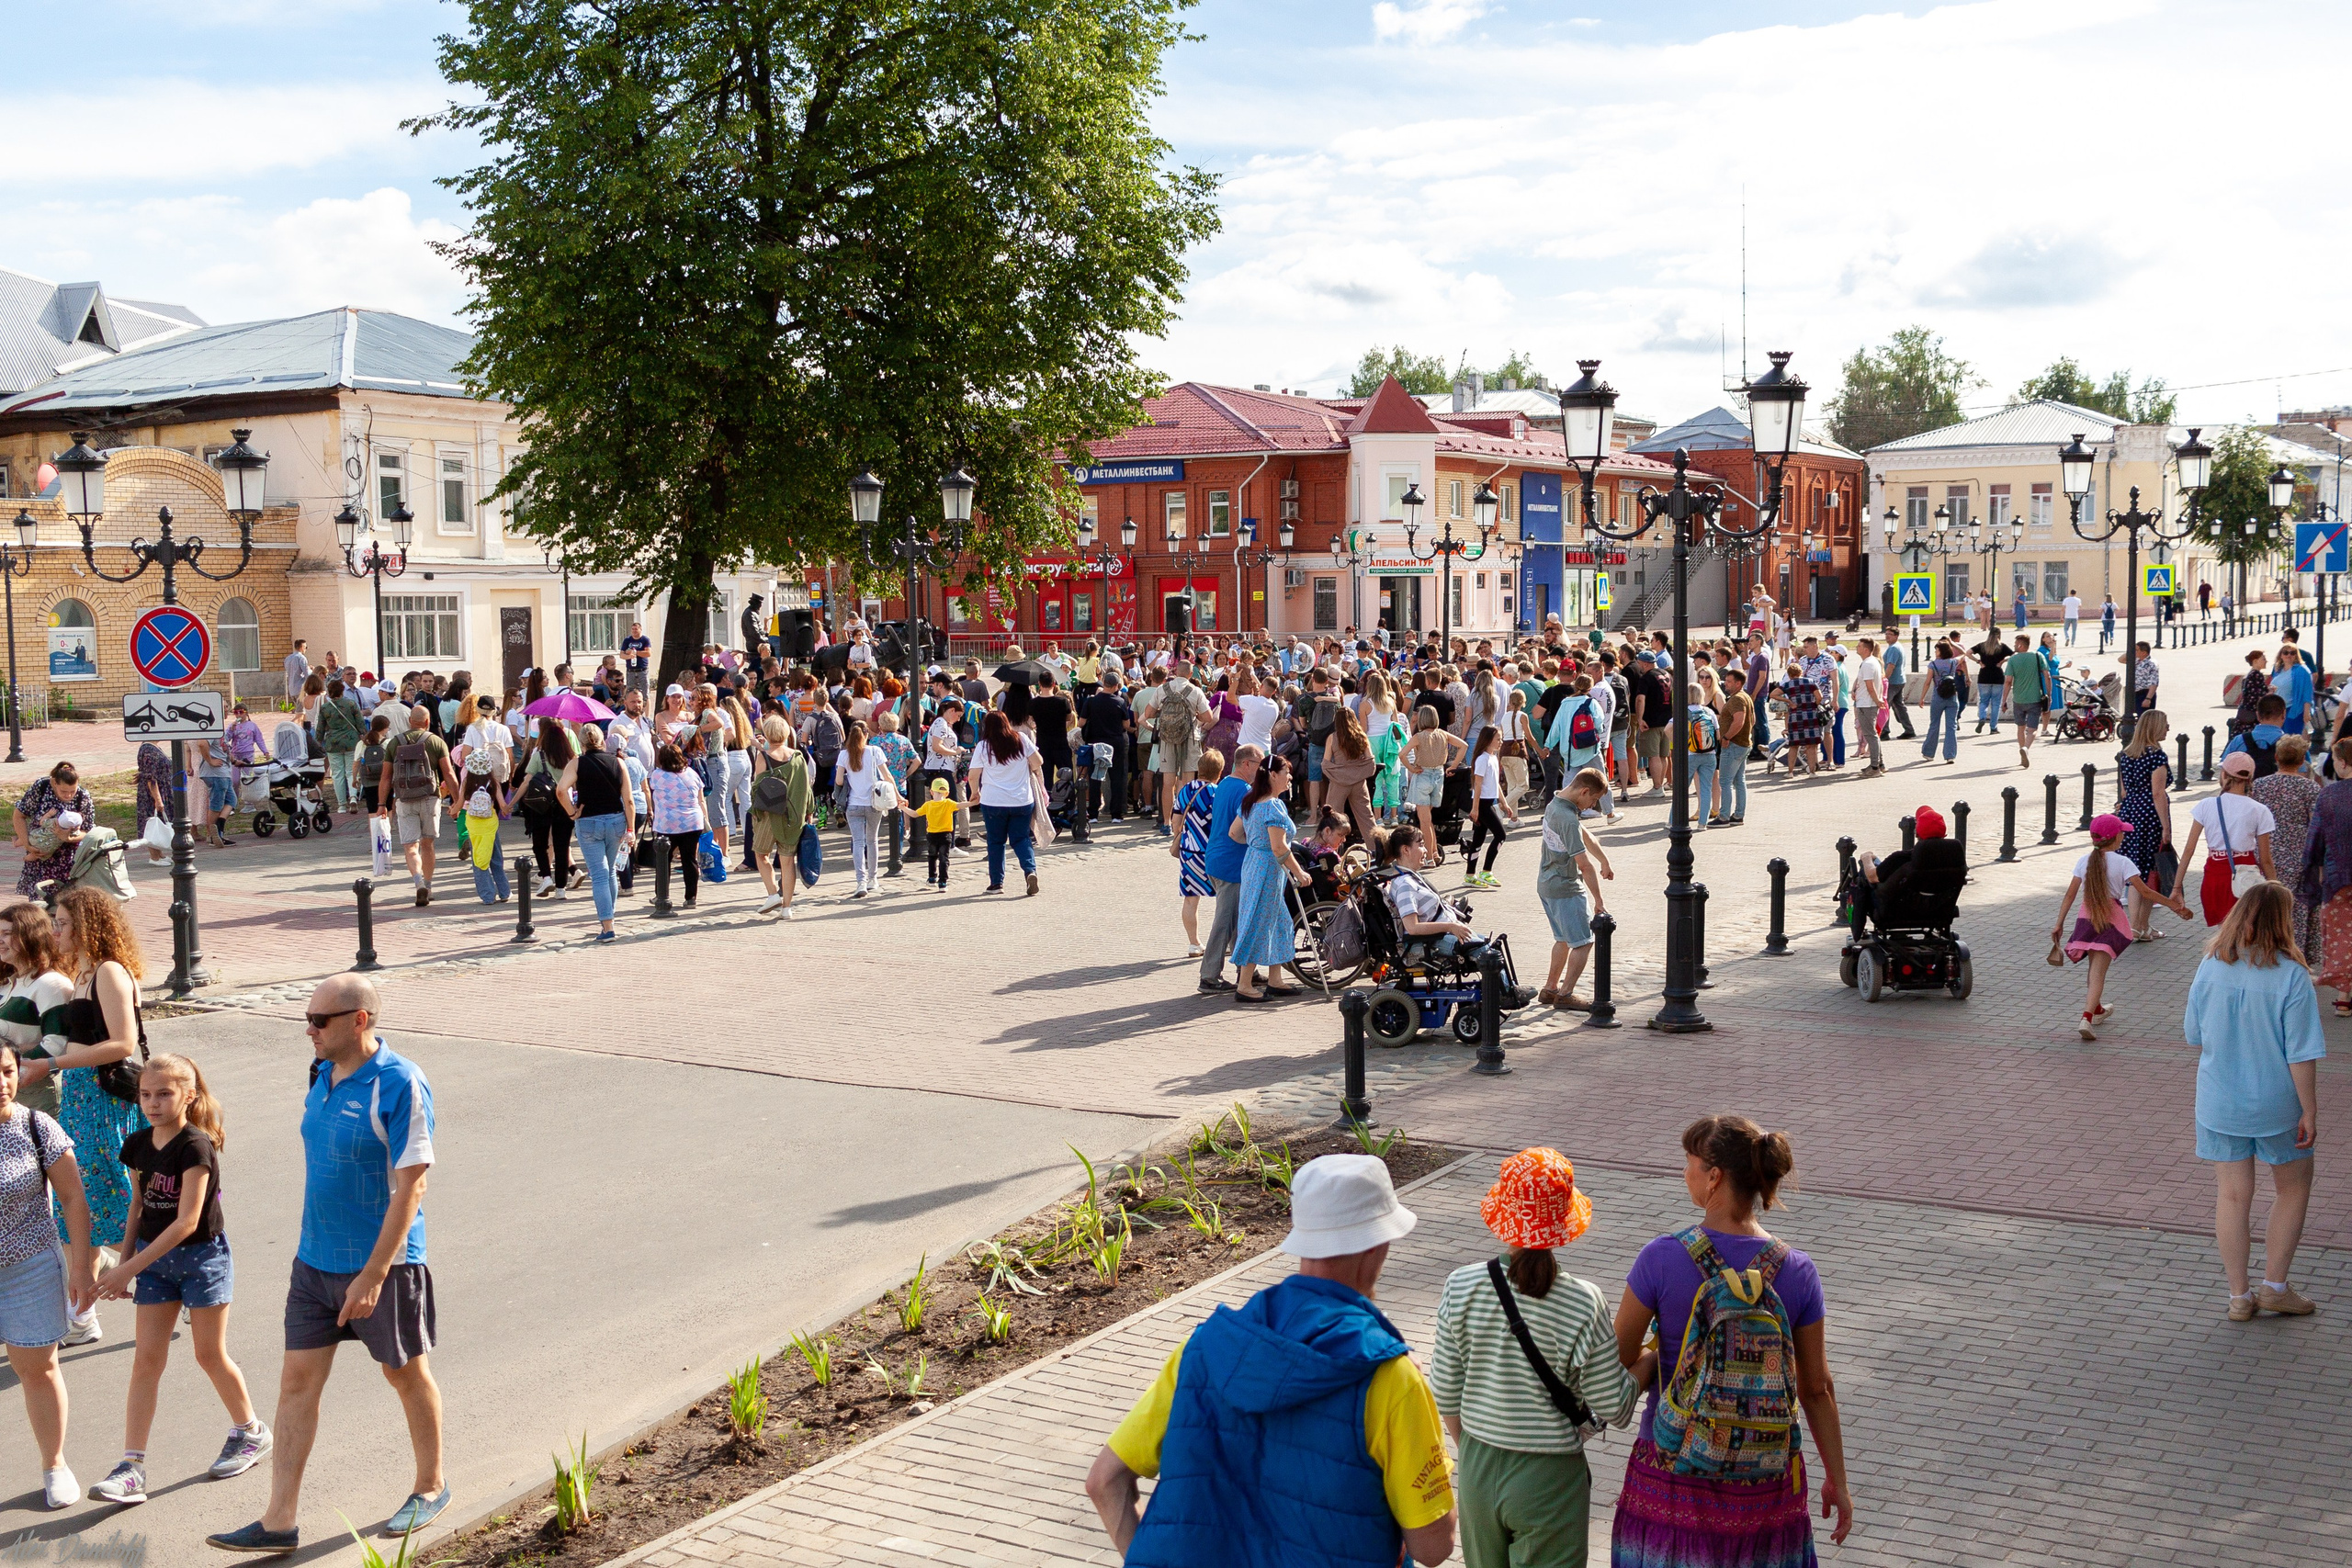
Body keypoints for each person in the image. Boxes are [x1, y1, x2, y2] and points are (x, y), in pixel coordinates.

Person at [1084, 1155, 1456, 1568]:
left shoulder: (1204, 1348)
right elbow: (1433, 1549)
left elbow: (1104, 1482)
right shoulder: (1392, 1379)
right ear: (1378, 1244)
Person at [207, 976, 444, 1555]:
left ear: (359, 1020)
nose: (307, 1030)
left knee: (404, 1373)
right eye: (306, 1019)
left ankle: (431, 1486)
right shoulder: (320, 1075)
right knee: (296, 1384)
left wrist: (373, 1274)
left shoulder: (400, 1083)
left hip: (382, 1268)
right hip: (314, 1262)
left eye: (319, 1021)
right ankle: (279, 1520)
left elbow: (412, 1189)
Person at [1611, 1115, 1852, 1563]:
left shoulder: (1662, 1257)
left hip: (1672, 1472)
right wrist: (1837, 1479)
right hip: (1765, 1483)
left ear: (1714, 1176)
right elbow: (1816, 1388)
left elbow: (1616, 1359)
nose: (1685, 1173)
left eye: (1689, 1163)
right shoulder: (1797, 1270)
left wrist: (1654, 1355)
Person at [1431, 1147, 1640, 1568]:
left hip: (1477, 1467)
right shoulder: (1584, 1301)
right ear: (1564, 1221)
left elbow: (1446, 1393)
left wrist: (1473, 1451)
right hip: (1550, 1480)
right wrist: (1648, 1362)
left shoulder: (1462, 1285)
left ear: (1503, 1214)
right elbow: (1614, 1408)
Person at [85, 1053, 266, 1506]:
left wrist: (127, 1268)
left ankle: (250, 1432)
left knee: (209, 1354)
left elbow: (187, 1221)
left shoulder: (195, 1146)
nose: (153, 1103)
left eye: (164, 1094)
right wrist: (127, 1260)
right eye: (146, 1094)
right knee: (146, 1361)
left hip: (202, 1258)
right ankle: (131, 1468)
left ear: (189, 1096)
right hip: (152, 1263)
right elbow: (137, 1206)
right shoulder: (139, 1143)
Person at [2185, 883, 2324, 1321]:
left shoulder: (2210, 965)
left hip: (2219, 1100)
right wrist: (2310, 1109)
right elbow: (2300, 1053)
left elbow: (2193, 1035)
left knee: (2231, 1197)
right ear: (2283, 923)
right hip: (2275, 1103)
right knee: (2293, 1187)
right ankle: (2275, 1287)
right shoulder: (2291, 976)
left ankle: (2239, 1296)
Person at [0, 1038, 96, 1508]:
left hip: (30, 1267)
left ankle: (54, 1464)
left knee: (38, 1369)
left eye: (7, 1071)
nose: (2, 1083)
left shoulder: (39, 1127)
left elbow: (76, 1201)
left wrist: (81, 1266)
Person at [2055, 815, 2189, 1039]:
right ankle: (2086, 1017)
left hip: (2087, 916)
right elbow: (2146, 892)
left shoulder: (2084, 861)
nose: (2124, 836)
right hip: (2111, 918)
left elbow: (2070, 894)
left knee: (2093, 969)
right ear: (2115, 838)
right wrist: (2174, 906)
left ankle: (2096, 1009)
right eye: (2122, 833)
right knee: (2099, 972)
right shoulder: (2123, 862)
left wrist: (2059, 923)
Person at [1228, 755, 1310, 1003]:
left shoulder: (1251, 801)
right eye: (1286, 773)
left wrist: (1255, 845)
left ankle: (1275, 979)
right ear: (1273, 775)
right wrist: (1299, 872)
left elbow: (1234, 833)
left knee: (1279, 921)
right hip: (1266, 868)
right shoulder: (1273, 806)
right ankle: (1244, 985)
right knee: (1258, 921)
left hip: (1253, 863)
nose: (1290, 778)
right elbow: (1279, 848)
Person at [1537, 769, 1612, 1011]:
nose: (1593, 805)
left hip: (1547, 883)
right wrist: (1598, 899)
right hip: (1566, 886)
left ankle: (1550, 989)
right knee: (1583, 942)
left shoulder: (1557, 802)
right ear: (1585, 791)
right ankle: (1566, 994)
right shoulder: (1567, 818)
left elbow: (1586, 836)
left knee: (1562, 939)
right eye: (1593, 800)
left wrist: (1605, 861)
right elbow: (1584, 865)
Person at [2179, 753, 2278, 929]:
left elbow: (2189, 850)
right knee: (2246, 932)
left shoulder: (2206, 805)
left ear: (2224, 775)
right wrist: (2275, 890)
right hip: (2245, 874)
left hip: (2215, 874)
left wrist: (2176, 887)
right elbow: (2266, 860)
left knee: (2223, 933)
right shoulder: (2260, 810)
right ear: (2249, 779)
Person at [559, 725, 636, 942]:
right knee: (610, 872)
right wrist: (631, 829)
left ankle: (608, 925)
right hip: (615, 820)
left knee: (600, 875)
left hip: (589, 821)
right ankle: (608, 920)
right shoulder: (618, 762)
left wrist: (571, 812)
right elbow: (629, 800)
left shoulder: (577, 763)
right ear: (603, 741)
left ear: (582, 744)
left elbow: (560, 790)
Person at [1195, 747, 1261, 996]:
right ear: (1246, 764)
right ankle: (1209, 976)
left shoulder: (1223, 784)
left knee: (1236, 920)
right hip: (1230, 863)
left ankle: (1247, 970)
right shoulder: (1244, 790)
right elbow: (1241, 829)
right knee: (1226, 921)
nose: (1260, 769)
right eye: (1258, 764)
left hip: (1216, 859)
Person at [379, 706, 459, 908]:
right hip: (430, 798)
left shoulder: (394, 743)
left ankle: (418, 883)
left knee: (410, 846)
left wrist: (382, 804)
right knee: (427, 844)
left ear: (409, 721)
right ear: (427, 721)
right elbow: (449, 774)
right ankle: (430, 887)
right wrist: (458, 802)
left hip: (404, 800)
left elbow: (386, 777)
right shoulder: (435, 741)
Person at [2252, 734, 2322, 956]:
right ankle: (2294, 955)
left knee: (2265, 907)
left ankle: (2265, 952)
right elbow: (2316, 828)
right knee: (2297, 910)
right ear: (2302, 761)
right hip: (2299, 859)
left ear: (2276, 757)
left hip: (2264, 855)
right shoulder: (2310, 789)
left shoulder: (2260, 786)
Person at [967, 709, 1045, 897]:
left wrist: (975, 792)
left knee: (996, 842)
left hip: (993, 801)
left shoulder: (984, 746)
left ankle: (996, 883)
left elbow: (973, 774)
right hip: (1021, 800)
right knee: (1021, 839)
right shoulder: (1020, 739)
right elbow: (1038, 761)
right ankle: (1030, 870)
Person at [2113, 710, 2177, 940]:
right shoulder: (2157, 756)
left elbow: (2124, 791)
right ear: (2155, 727)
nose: (2168, 728)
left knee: (2134, 872)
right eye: (2165, 724)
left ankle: (2136, 926)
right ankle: (2141, 926)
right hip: (2149, 815)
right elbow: (2158, 793)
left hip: (2129, 813)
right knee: (2152, 870)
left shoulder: (2126, 754)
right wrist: (2166, 827)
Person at [749, 718, 813, 917]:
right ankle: (787, 908)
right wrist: (809, 812)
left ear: (767, 734)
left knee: (761, 854)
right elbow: (806, 788)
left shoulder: (763, 756)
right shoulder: (798, 757)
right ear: (786, 733)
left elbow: (757, 788)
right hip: (793, 817)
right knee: (787, 862)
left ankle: (772, 894)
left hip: (769, 815)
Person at [14, 761, 94, 899]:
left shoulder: (83, 796)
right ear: (55, 783)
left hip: (68, 862)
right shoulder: (42, 787)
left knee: (66, 906)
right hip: (40, 857)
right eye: (63, 791)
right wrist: (28, 845)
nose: (68, 795)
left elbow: (89, 831)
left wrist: (68, 838)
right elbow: (19, 815)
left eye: (72, 791)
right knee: (39, 906)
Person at [649, 741, 712, 910]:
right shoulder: (692, 774)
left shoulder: (657, 775)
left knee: (664, 860)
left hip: (667, 824)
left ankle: (661, 895)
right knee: (690, 859)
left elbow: (653, 789)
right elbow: (701, 800)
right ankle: (691, 897)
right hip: (692, 822)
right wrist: (706, 820)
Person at [1171, 751, 1223, 956]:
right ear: (1218, 772)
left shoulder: (1185, 790)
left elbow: (1176, 822)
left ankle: (1194, 943)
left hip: (1189, 852)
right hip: (1214, 852)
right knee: (1225, 899)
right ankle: (1226, 941)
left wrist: (1182, 836)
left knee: (1191, 898)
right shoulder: (1217, 793)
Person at [1462, 725, 1521, 887]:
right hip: (1482, 804)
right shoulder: (1482, 759)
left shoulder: (1493, 758)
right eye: (1498, 739)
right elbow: (1478, 785)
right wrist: (1475, 808)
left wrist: (1504, 802)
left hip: (1489, 802)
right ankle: (1486, 871)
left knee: (1478, 840)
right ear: (1488, 740)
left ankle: (1470, 875)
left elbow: (1495, 784)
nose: (1500, 742)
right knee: (1500, 835)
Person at [1713, 668, 1754, 825]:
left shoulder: (1737, 699)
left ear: (1738, 683)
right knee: (1739, 780)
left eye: (1730, 681)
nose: (1726, 684)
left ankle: (1724, 816)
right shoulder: (1745, 697)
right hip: (1743, 744)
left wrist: (1726, 737)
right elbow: (1753, 720)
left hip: (1734, 744)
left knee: (1725, 781)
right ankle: (1738, 815)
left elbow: (1739, 721)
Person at [2000, 631, 2045, 769]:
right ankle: (2026, 748)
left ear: (2020, 645)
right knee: (2032, 729)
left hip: (2018, 699)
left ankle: (2022, 755)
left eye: (2015, 644)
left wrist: (2004, 700)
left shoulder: (2013, 659)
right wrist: (2048, 693)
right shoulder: (2038, 656)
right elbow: (2047, 675)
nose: (2014, 646)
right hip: (2035, 699)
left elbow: (2008, 681)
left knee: (2020, 728)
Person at [1850, 637, 1886, 775]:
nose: (1857, 648)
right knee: (1873, 735)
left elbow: (1870, 686)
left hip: (1867, 704)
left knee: (1870, 735)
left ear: (1866, 649)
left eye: (1859, 646)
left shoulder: (1868, 664)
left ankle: (1875, 767)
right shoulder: (1872, 662)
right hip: (1866, 702)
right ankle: (1879, 763)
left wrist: (1877, 700)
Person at [282, 638, 311, 703]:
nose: (306, 649)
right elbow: (307, 675)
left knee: (298, 709)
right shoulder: (302, 658)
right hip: (301, 689)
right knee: (302, 711)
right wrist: (311, 670)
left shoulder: (288, 658)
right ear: (302, 647)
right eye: (305, 647)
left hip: (291, 689)